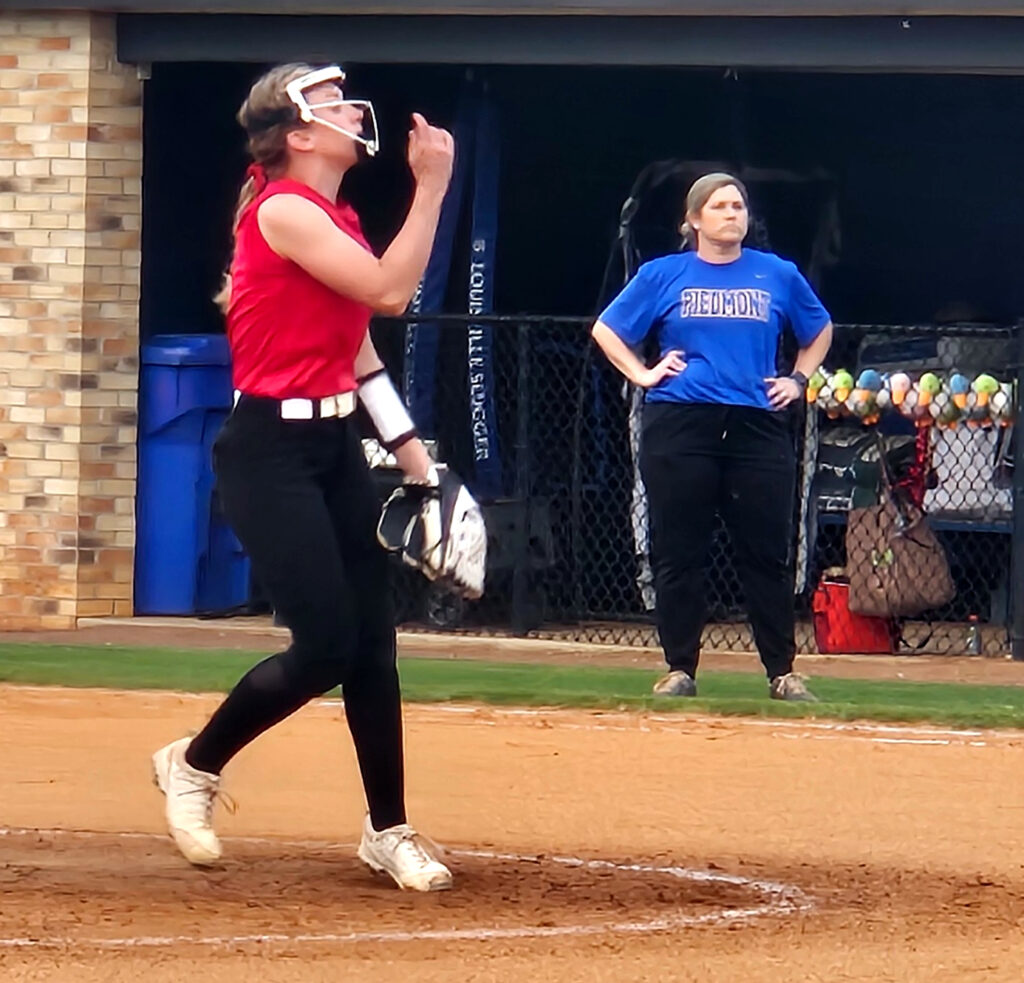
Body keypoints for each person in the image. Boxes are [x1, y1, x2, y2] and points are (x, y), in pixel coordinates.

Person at [151, 63, 457, 891]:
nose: (349, 105)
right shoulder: (286, 208)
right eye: (326, 101)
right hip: (266, 451)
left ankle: (388, 828)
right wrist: (432, 188)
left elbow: (356, 354)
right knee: (325, 643)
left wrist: (414, 458)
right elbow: (392, 294)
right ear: (296, 135)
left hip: (329, 449)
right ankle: (194, 763)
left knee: (373, 645)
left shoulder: (336, 214)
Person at [591, 172, 833, 701]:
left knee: (766, 552)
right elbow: (607, 329)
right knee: (679, 550)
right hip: (681, 421)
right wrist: (643, 373)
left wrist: (797, 378)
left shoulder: (777, 274)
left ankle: (782, 673)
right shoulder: (664, 274)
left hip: (755, 421)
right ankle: (680, 668)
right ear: (695, 219)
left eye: (739, 206)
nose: (732, 214)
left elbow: (819, 331)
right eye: (720, 206)